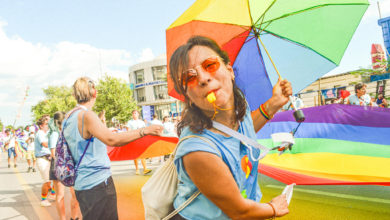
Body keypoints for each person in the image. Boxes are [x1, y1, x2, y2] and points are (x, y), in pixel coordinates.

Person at [168, 36, 290, 219]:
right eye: (189, 77)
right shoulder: (197, 151)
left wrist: (274, 103)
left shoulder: (240, 110)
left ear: (230, 70)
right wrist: (273, 208)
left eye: (209, 65)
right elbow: (239, 211)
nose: (203, 78)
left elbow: (242, 131)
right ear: (187, 95)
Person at [63, 77, 162, 220]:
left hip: (81, 183)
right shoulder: (87, 116)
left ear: (74, 95)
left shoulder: (69, 116)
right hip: (97, 183)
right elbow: (112, 140)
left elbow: (84, 140)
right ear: (94, 93)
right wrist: (144, 131)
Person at [48, 112, 81, 220]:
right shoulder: (54, 134)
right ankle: (63, 218)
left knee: (75, 194)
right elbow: (53, 154)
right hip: (59, 165)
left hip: (69, 164)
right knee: (60, 195)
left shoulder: (69, 132)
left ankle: (74, 217)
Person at [34, 116, 53, 207]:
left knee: (56, 179)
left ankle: (53, 194)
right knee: (47, 182)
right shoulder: (40, 133)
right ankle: (43, 199)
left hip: (49, 159)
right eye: (47, 123)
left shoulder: (49, 132)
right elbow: (45, 144)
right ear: (41, 126)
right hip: (43, 160)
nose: (49, 125)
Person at [127, 110, 152, 175]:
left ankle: (145, 169)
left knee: (142, 154)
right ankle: (137, 169)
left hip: (141, 139)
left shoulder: (141, 122)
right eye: (133, 113)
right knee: (135, 155)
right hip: (134, 139)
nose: (134, 114)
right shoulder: (130, 122)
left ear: (138, 114)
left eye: (135, 113)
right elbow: (128, 131)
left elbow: (145, 130)